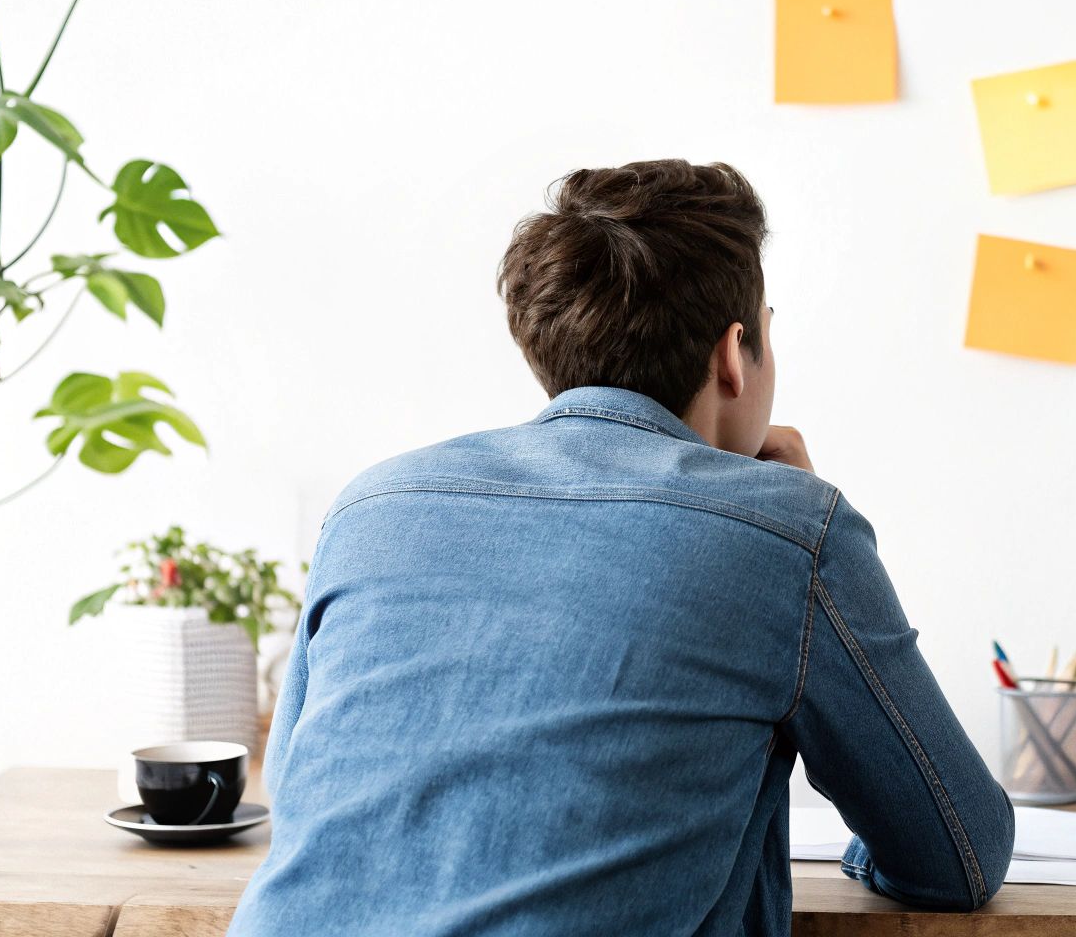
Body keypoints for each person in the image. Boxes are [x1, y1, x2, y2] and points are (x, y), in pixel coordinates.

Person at [228, 160, 1014, 936]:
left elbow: (301, 799)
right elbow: (958, 856)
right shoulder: (790, 533)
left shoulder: (371, 506)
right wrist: (793, 532)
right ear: (733, 355)